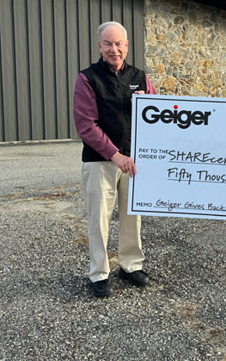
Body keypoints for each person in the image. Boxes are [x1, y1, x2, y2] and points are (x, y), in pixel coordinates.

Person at [73, 21, 157, 298]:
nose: (114, 49)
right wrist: (115, 154)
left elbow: (159, 114)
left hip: (135, 160)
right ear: (99, 46)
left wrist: (150, 104)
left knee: (133, 216)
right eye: (108, 43)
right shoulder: (87, 78)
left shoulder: (140, 77)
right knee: (99, 219)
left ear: (127, 46)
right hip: (100, 161)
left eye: (119, 43)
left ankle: (131, 265)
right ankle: (99, 272)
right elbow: (86, 125)